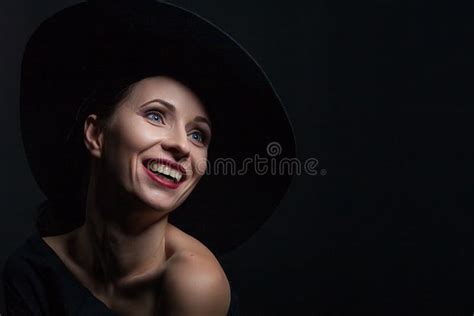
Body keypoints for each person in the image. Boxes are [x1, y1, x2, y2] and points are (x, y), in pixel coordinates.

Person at [2, 0, 296, 315]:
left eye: (198, 135)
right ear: (96, 134)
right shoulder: (32, 271)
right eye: (156, 115)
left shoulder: (195, 282)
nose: (182, 145)